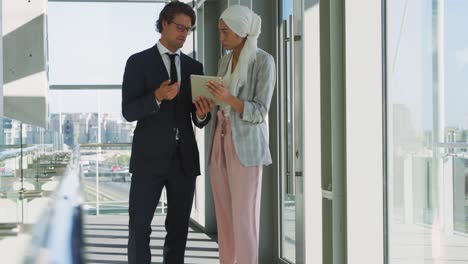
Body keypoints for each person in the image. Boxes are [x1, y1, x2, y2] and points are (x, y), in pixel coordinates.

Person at [121, 2, 214, 264]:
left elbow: (198, 119)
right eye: (180, 27)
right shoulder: (138, 62)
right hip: (148, 159)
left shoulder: (195, 67)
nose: (185, 33)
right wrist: (157, 96)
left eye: (189, 29)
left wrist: (203, 113)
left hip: (183, 160)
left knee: (178, 231)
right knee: (140, 228)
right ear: (164, 23)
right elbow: (128, 111)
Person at [204, 4, 276, 264]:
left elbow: (260, 111)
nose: (220, 38)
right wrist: (209, 102)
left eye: (225, 32)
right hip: (219, 142)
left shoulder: (264, 61)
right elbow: (221, 101)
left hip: (246, 148)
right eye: (220, 32)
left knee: (244, 218)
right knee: (224, 216)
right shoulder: (225, 61)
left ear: (241, 31)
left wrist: (229, 99)